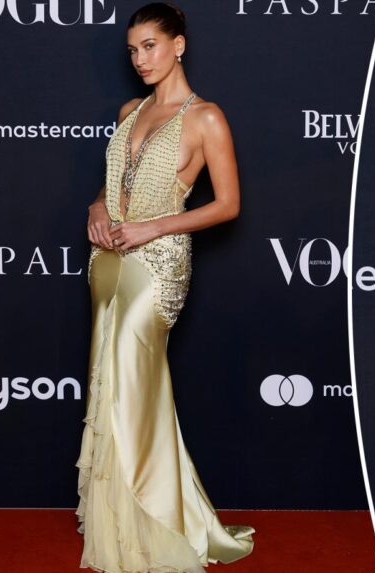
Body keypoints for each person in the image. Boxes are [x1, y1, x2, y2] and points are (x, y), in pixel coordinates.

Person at [77, 3, 254, 571]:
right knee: (107, 386)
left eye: (150, 45)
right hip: (107, 259)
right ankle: (116, 521)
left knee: (134, 391)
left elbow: (228, 205)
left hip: (157, 266)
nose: (140, 59)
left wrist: (154, 226)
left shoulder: (205, 118)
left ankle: (153, 527)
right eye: (133, 50)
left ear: (178, 45)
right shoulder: (130, 110)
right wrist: (97, 206)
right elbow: (112, 186)